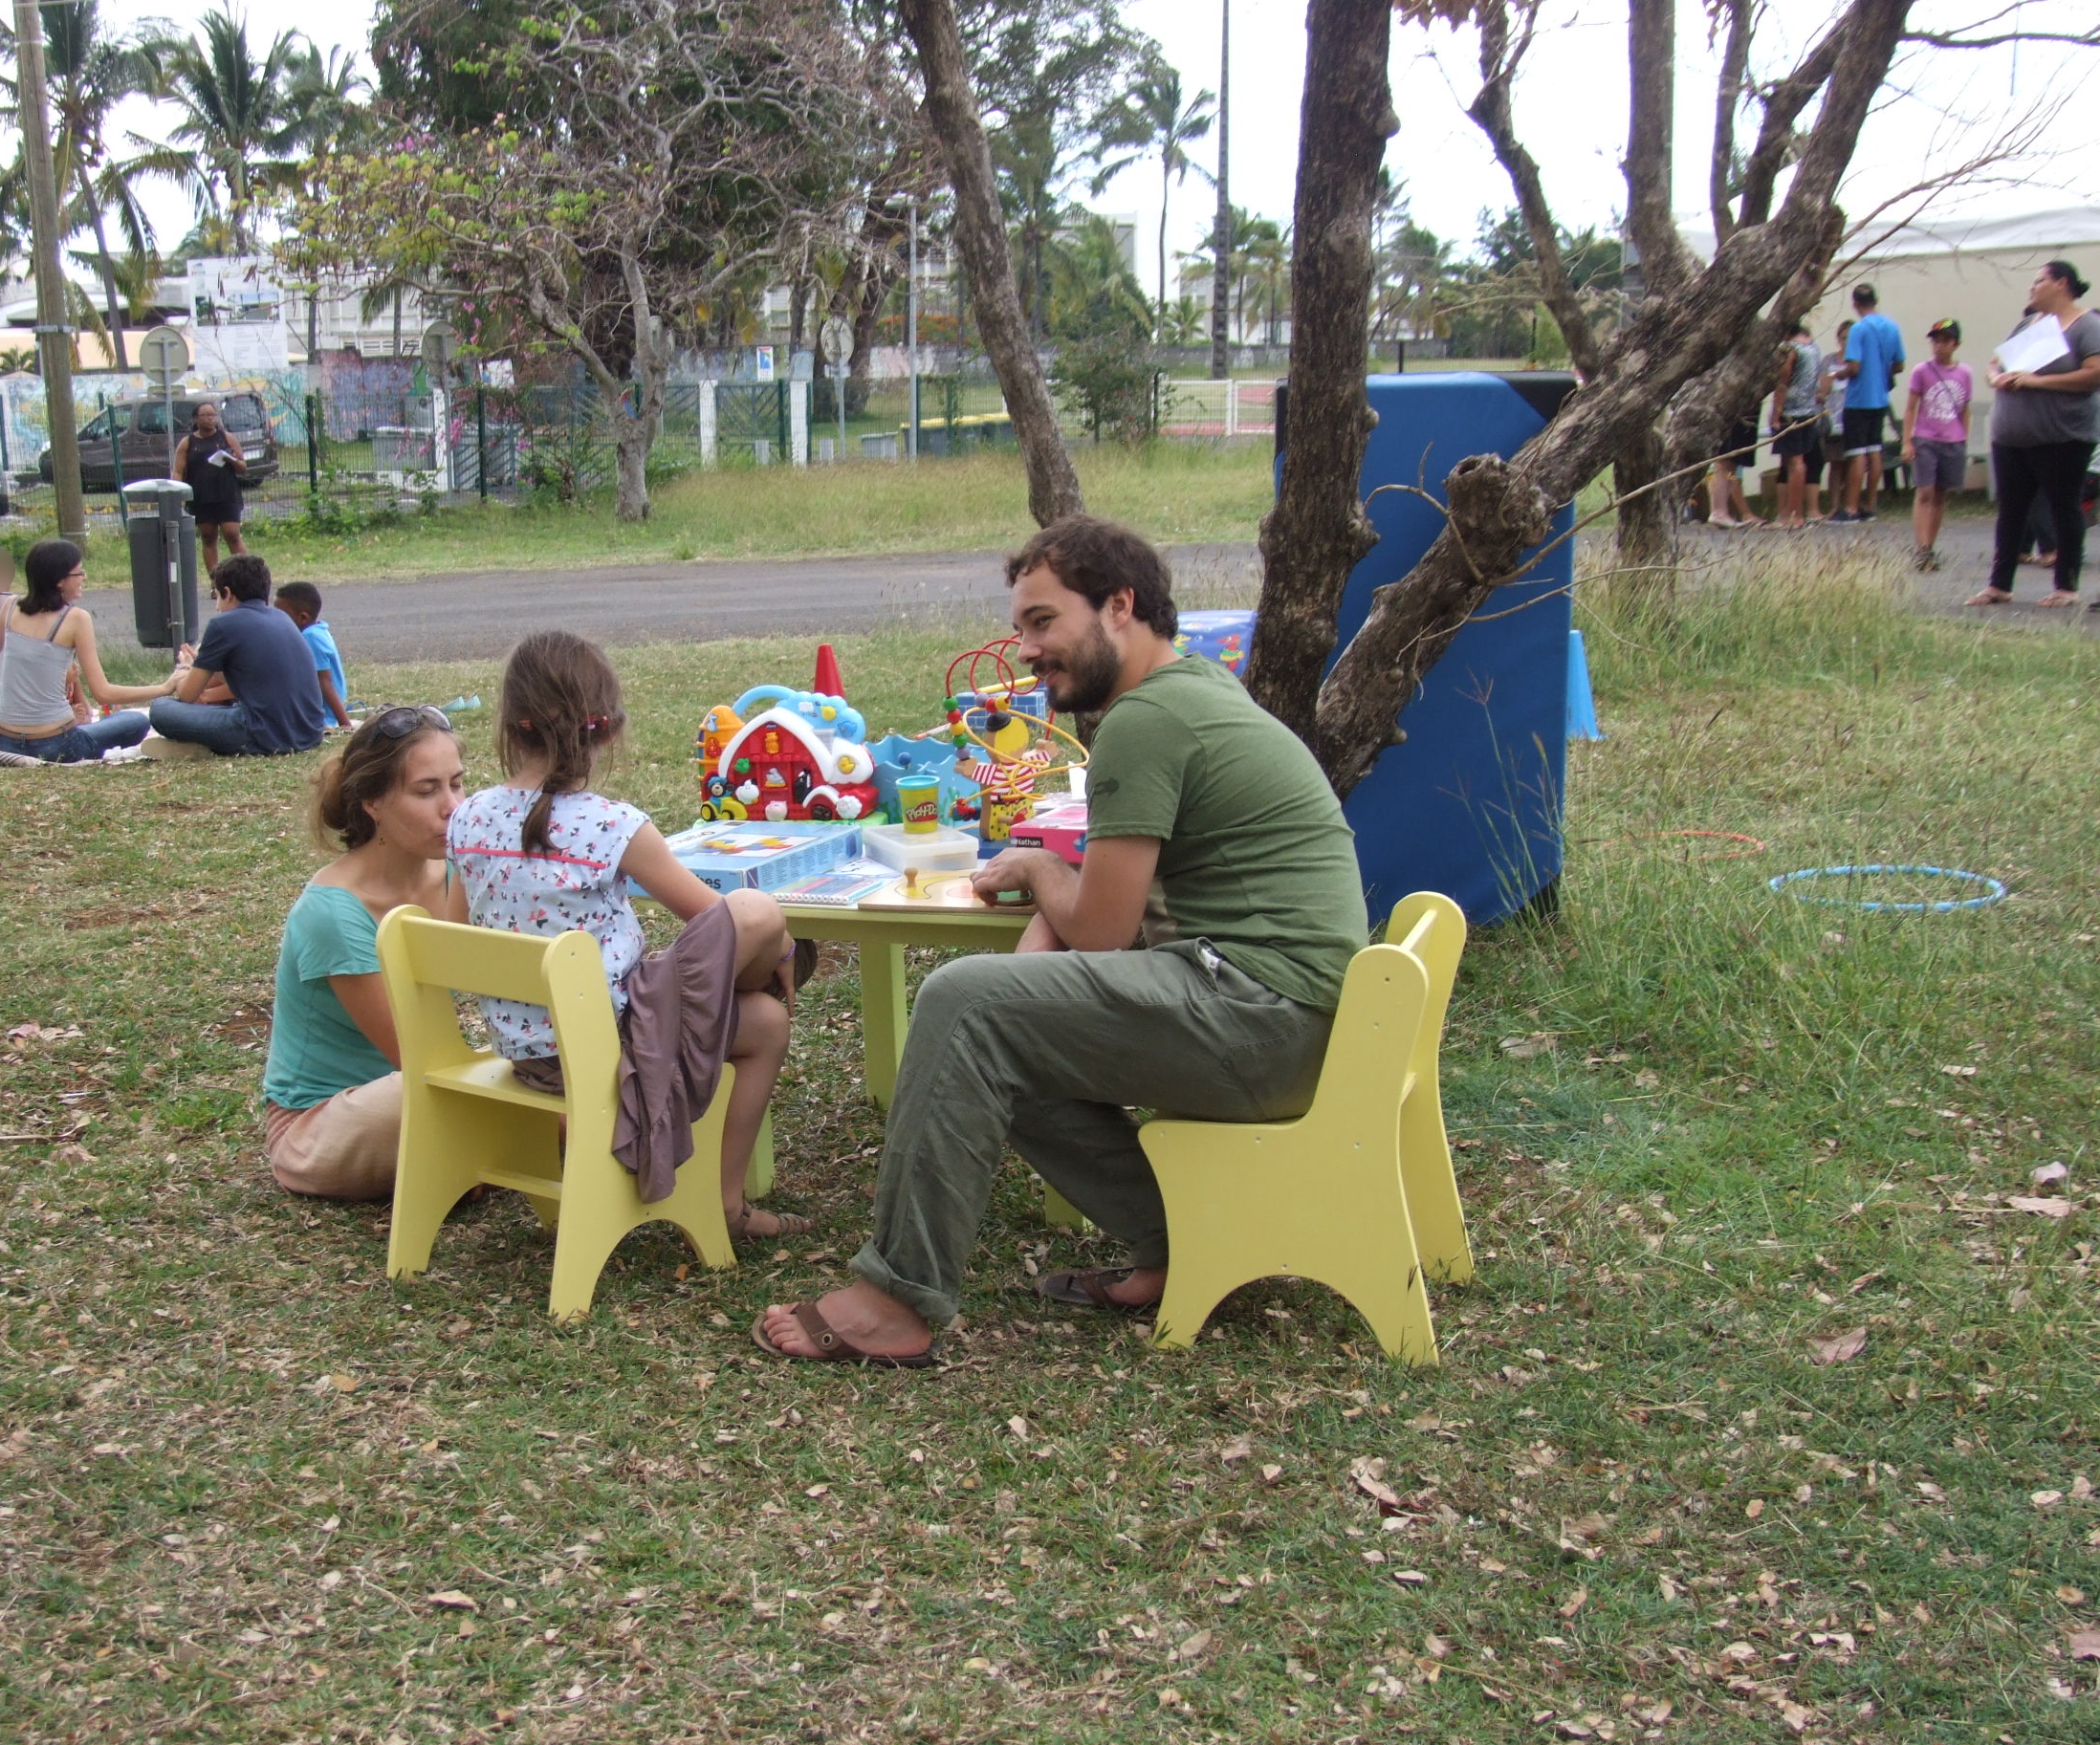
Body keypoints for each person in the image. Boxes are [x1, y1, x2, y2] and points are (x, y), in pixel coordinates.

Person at [755, 517, 1367, 1366]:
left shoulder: (1146, 721)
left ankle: (894, 1297)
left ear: (1120, 606)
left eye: (1044, 623)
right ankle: (1178, 1242)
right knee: (996, 1036)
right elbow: (1115, 915)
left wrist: (1041, 872)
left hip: (1260, 1015)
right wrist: (1046, 912)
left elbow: (1103, 930)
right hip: (1287, 1015)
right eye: (1022, 630)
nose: (1030, 651)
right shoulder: (1191, 696)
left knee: (960, 1000)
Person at [446, 630, 809, 1241]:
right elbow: (714, 918)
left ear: (511, 726)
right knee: (760, 916)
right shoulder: (614, 827)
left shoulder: (468, 818)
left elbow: (453, 936)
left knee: (764, 1018)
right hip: (609, 1048)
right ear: (607, 729)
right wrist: (785, 948)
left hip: (528, 1055)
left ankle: (725, 1205)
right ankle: (728, 1204)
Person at [264, 709, 468, 1200]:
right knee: (445, 1091)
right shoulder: (333, 913)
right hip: (321, 1125)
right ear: (373, 802)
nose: (452, 807)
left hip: (419, 1089)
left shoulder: (457, 875)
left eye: (457, 784)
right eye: (426, 790)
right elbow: (417, 1057)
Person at [1968, 260, 2100, 610]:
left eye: (2039, 281)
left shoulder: (2086, 326)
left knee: (2063, 506)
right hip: (2013, 437)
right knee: (2011, 510)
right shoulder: (2031, 323)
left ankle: (2066, 586)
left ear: (2061, 284)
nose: (2032, 287)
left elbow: (2094, 374)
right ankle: (1999, 585)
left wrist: (2036, 381)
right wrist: (1996, 377)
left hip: (2062, 437)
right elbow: (1995, 362)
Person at [0, 538, 175, 762]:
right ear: (60, 581)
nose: (84, 578)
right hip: (54, 745)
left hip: (3, 742)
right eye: (79, 573)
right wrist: (165, 687)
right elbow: (103, 693)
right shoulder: (76, 618)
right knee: (136, 722)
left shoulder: (10, 607)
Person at [150, 554, 330, 756]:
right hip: (310, 732)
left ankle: (199, 743)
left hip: (263, 736)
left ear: (227, 593)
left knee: (161, 708)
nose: (217, 606)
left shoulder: (222, 624)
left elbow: (186, 695)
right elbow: (252, 676)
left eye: (217, 596)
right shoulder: (281, 617)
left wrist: (184, 669)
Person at [1901, 317, 1972, 571]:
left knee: (1941, 495)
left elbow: (1965, 408)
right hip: (1926, 438)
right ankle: (1921, 548)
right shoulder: (1922, 371)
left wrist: (1964, 437)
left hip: (1952, 439)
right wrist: (1907, 441)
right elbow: (1910, 408)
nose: (1939, 346)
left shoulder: (1964, 373)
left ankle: (1930, 546)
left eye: (1945, 341)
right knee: (1925, 491)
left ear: (1955, 344)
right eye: (1936, 341)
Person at [1832, 283, 1905, 521]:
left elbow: (1854, 366)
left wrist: (1838, 375)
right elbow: (1899, 365)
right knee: (1875, 450)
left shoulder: (1859, 330)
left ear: (1855, 304)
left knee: (1856, 453)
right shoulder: (1892, 327)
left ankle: (1851, 507)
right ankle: (1870, 505)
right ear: (1876, 300)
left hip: (1858, 398)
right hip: (1880, 398)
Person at [174, 402, 246, 570]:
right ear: (195, 419)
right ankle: (215, 581)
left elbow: (243, 467)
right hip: (201, 497)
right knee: (208, 537)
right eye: (205, 415)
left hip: (226, 495)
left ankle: (246, 575)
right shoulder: (187, 443)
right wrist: (176, 492)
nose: (210, 419)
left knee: (232, 535)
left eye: (213, 415)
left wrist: (231, 459)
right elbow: (178, 471)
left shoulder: (226, 438)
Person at [1768, 325, 1823, 531]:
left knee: (1794, 463)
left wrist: (1776, 414)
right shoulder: (1812, 347)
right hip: (1809, 410)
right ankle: (1792, 513)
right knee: (1796, 463)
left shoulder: (1790, 350)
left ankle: (1794, 515)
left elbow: (1782, 383)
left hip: (1791, 412)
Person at [278, 579, 352, 730]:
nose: (277, 620)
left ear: (303, 617)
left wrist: (345, 723)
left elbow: (324, 682)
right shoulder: (318, 629)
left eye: (282, 616)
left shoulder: (310, 637)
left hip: (322, 715)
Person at [1817, 319, 1854, 522]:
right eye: (1844, 337)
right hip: (1834, 419)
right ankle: (1834, 505)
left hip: (1853, 417)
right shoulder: (1829, 360)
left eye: (1851, 337)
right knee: (1835, 464)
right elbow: (1823, 387)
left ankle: (1850, 504)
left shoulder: (1858, 361)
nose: (1847, 341)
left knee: (1852, 463)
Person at [1704, 404, 1760, 528]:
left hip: (1748, 410)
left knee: (1733, 461)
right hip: (1733, 408)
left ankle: (1722, 512)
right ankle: (1718, 512)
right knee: (1723, 458)